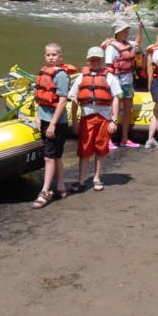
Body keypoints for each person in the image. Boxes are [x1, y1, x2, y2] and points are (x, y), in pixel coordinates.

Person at [68, 47, 121, 192]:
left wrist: (114, 120)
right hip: (86, 118)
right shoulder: (81, 77)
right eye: (93, 60)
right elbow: (73, 99)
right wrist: (74, 121)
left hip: (104, 118)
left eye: (98, 59)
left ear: (103, 60)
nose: (95, 62)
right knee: (84, 150)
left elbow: (116, 98)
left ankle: (97, 178)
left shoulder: (110, 77)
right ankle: (81, 180)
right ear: (88, 61)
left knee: (100, 148)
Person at [31, 43, 72, 209]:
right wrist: (37, 116)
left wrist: (52, 124)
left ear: (60, 57)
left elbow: (62, 101)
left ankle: (45, 191)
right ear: (44, 56)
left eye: (54, 55)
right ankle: (61, 186)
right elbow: (38, 99)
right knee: (56, 156)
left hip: (56, 122)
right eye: (48, 55)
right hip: (45, 119)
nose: (51, 57)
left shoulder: (61, 75)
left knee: (48, 157)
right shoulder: (43, 72)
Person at [103, 19, 143, 148]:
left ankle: (125, 139)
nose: (127, 33)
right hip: (116, 83)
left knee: (128, 110)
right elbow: (109, 67)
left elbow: (137, 42)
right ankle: (108, 140)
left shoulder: (129, 44)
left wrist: (140, 28)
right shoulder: (111, 47)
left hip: (128, 83)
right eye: (125, 31)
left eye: (128, 31)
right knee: (113, 111)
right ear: (117, 32)